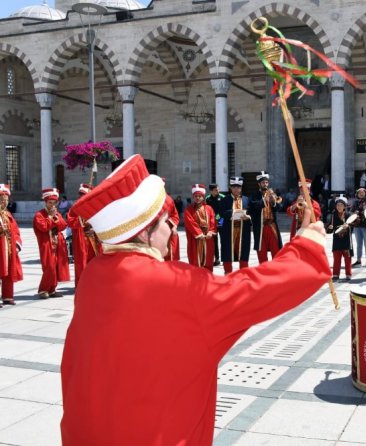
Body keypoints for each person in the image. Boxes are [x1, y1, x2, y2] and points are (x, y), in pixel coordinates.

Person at [60, 154, 330, 445]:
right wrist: (306, 247)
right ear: (145, 233)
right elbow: (255, 291)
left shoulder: (93, 276)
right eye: (164, 222)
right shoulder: (175, 285)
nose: (169, 230)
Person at [33, 188, 70, 298]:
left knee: (56, 266)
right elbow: (43, 227)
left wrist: (56, 218)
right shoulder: (39, 214)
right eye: (50, 203)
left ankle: (52, 289)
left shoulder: (57, 213)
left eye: (54, 203)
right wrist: (52, 218)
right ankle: (43, 289)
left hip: (57, 244)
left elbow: (63, 225)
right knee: (48, 267)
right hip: (46, 244)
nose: (52, 205)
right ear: (45, 202)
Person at [66, 184, 101, 287]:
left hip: (93, 240)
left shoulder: (94, 208)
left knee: (94, 262)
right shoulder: (75, 208)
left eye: (84, 195)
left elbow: (100, 222)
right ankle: (81, 285)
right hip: (81, 240)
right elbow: (70, 222)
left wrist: (94, 230)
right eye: (81, 195)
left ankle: (93, 283)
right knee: (81, 264)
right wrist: (82, 219)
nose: (82, 197)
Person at [249, 171, 283, 263]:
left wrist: (273, 201)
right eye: (263, 182)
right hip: (260, 227)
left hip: (272, 226)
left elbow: (279, 208)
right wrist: (265, 199)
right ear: (259, 184)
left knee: (276, 251)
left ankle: (276, 272)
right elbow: (254, 207)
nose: (265, 184)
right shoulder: (254, 195)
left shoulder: (272, 194)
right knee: (262, 253)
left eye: (267, 182)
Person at [220, 177, 252, 274]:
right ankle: (228, 273)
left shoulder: (246, 199)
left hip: (243, 230)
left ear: (241, 188)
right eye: (234, 187)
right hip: (229, 230)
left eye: (238, 187)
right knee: (227, 251)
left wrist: (248, 216)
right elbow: (221, 212)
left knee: (244, 251)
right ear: (230, 188)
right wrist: (234, 212)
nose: (236, 189)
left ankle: (244, 273)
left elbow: (252, 212)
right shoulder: (225, 199)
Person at [184, 184, 217, 271]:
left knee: (208, 259)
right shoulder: (189, 210)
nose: (197, 198)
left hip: (207, 238)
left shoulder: (209, 208)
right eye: (195, 196)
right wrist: (199, 234)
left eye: (199, 196)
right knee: (195, 260)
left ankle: (208, 280)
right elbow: (190, 223)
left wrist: (211, 231)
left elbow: (213, 221)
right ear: (193, 197)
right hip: (196, 239)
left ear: (203, 197)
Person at [0, 184, 22, 307]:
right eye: (2, 200)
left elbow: (16, 231)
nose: (4, 202)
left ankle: (8, 296)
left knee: (8, 272)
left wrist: (17, 245)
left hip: (8, 248)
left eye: (6, 200)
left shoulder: (8, 214)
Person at [326, 194, 353, 281]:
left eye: (341, 205)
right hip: (337, 240)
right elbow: (329, 229)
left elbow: (353, 225)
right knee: (336, 259)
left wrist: (348, 226)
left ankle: (348, 274)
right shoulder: (333, 215)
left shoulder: (348, 215)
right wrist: (329, 228)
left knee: (347, 259)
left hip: (346, 240)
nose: (339, 207)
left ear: (344, 206)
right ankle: (335, 274)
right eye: (338, 205)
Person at [351, 187, 366, 266]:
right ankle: (359, 260)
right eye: (359, 192)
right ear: (357, 194)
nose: (361, 193)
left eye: (362, 192)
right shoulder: (355, 202)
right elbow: (351, 212)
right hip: (357, 226)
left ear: (365, 193)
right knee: (358, 244)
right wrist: (355, 213)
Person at [205, 184, 224, 266]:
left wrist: (219, 218)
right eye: (216, 190)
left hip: (222, 221)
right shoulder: (207, 199)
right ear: (211, 191)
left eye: (218, 189)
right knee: (214, 241)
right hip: (212, 223)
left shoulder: (222, 197)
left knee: (224, 241)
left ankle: (225, 258)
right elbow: (206, 210)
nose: (218, 191)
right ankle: (217, 258)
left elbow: (225, 209)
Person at [163, 191, 181, 261]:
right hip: (156, 231)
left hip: (169, 229)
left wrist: (174, 226)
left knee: (172, 252)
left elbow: (175, 215)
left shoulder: (169, 200)